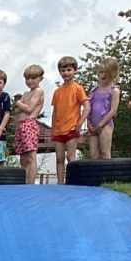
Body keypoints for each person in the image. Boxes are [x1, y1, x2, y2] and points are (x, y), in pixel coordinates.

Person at [51, 56, 88, 184]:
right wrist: (53, 129)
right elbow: (55, 112)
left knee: (71, 157)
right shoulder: (57, 92)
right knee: (59, 158)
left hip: (71, 128)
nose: (66, 73)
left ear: (75, 70)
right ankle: (60, 183)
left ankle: (73, 183)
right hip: (58, 130)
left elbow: (87, 106)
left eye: (69, 70)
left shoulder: (77, 88)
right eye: (63, 70)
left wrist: (79, 124)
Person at [12, 65, 46, 184]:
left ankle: (30, 183)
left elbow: (29, 108)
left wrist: (18, 103)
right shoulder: (26, 93)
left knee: (31, 156)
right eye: (27, 78)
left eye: (33, 78)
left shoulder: (38, 91)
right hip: (21, 124)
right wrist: (20, 105)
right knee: (23, 157)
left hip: (29, 124)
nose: (30, 81)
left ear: (40, 78)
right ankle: (24, 181)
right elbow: (17, 110)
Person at [85, 59, 121, 161]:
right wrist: (88, 123)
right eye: (101, 72)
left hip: (105, 125)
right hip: (93, 125)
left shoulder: (114, 90)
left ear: (113, 73)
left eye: (106, 72)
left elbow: (113, 110)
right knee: (93, 155)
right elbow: (89, 107)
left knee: (105, 153)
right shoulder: (94, 90)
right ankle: (96, 172)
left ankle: (108, 172)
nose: (103, 75)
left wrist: (101, 125)